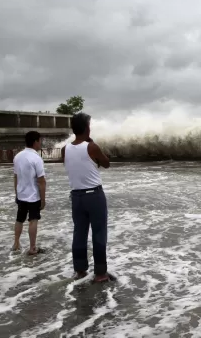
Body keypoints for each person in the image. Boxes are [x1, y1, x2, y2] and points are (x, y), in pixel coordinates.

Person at [61, 112, 111, 282]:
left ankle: (80, 270)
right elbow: (106, 163)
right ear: (87, 128)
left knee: (79, 233)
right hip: (94, 196)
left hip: (76, 197)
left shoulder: (64, 149)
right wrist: (92, 144)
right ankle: (100, 273)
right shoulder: (92, 147)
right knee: (98, 233)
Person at [13, 131, 46, 255]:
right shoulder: (36, 158)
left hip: (21, 195)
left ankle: (16, 243)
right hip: (33, 196)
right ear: (35, 142)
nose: (40, 143)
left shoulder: (18, 156)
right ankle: (32, 248)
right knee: (33, 220)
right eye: (39, 141)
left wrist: (16, 192)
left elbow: (15, 177)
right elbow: (41, 181)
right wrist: (43, 200)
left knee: (19, 219)